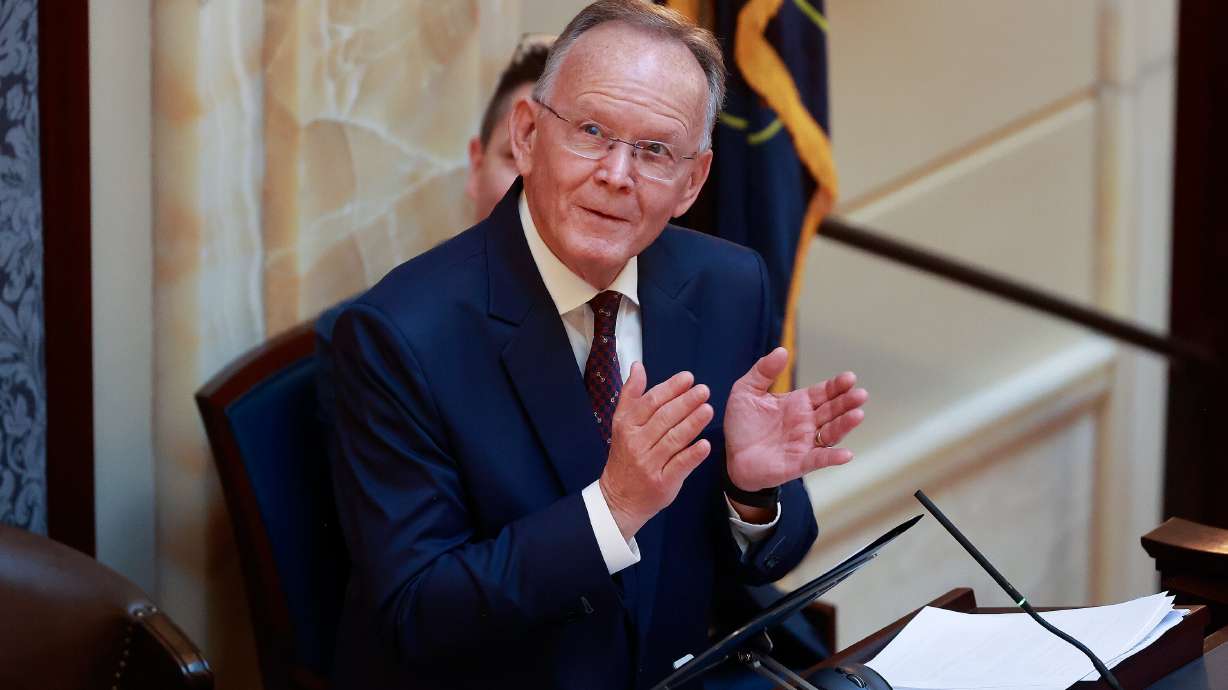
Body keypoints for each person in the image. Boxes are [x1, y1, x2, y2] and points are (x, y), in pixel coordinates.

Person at [328, 2, 868, 689]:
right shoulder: (401, 335)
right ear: (527, 135)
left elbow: (765, 560)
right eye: (591, 132)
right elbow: (417, 613)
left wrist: (749, 491)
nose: (617, 174)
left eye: (654, 151)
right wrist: (612, 509)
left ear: (692, 182)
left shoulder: (728, 286)